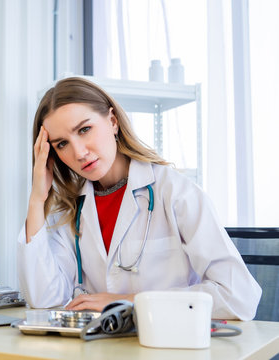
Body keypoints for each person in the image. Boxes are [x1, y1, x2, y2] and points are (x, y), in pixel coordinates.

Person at [17, 77, 261, 320]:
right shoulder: (72, 210)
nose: (79, 152)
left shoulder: (175, 192)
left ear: (112, 122)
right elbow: (44, 300)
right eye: (62, 144)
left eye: (84, 129)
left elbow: (238, 297)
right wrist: (37, 199)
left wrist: (129, 302)